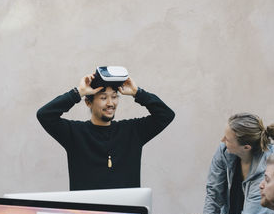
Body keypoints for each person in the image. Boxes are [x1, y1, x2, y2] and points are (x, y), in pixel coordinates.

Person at [37, 72, 175, 190]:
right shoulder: (74, 133)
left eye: (114, 97)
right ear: (88, 102)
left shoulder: (133, 131)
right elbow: (45, 115)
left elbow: (165, 115)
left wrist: (137, 93)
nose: (110, 103)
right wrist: (78, 92)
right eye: (103, 98)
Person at [204, 113, 274, 214]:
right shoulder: (224, 150)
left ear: (246, 147)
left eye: (227, 139)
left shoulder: (266, 169)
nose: (222, 140)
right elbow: (213, 195)